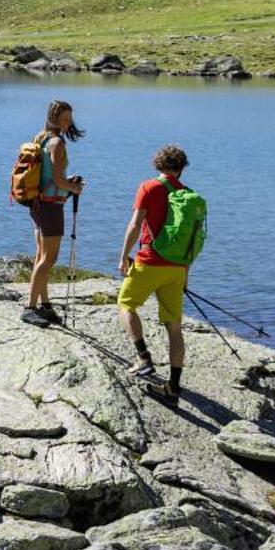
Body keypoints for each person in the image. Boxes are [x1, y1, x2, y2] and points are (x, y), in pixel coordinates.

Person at [116, 143, 191, 403]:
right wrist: (185, 274)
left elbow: (136, 224)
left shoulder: (148, 187)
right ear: (181, 169)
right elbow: (190, 240)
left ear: (158, 165)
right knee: (174, 326)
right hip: (177, 267)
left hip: (149, 261)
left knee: (126, 304)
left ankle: (143, 358)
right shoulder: (188, 195)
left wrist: (123, 255)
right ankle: (174, 387)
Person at [22, 100, 84, 326]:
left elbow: (50, 177)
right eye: (64, 119)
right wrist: (74, 188)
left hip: (37, 204)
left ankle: (45, 305)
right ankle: (29, 308)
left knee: (41, 256)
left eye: (70, 119)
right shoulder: (56, 142)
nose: (68, 123)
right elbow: (57, 180)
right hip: (50, 208)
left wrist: (67, 185)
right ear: (54, 118)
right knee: (49, 258)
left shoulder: (41, 137)